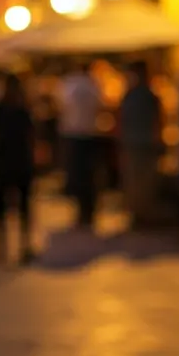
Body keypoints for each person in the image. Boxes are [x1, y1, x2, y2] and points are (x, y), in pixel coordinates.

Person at [0, 73, 37, 265]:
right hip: (21, 161)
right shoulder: (23, 109)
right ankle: (24, 246)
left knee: (1, 207)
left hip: (3, 161)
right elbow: (32, 134)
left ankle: (2, 249)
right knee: (23, 207)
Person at [119, 60, 163, 229]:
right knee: (136, 182)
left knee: (143, 182)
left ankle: (142, 215)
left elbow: (157, 122)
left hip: (143, 146)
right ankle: (138, 215)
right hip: (135, 145)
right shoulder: (132, 95)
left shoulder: (145, 96)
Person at [60, 61, 103, 230]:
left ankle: (81, 211)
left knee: (77, 175)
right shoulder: (94, 85)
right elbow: (99, 107)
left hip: (74, 135)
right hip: (90, 134)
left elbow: (62, 106)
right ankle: (88, 211)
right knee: (89, 175)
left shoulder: (70, 84)